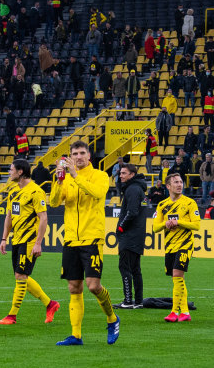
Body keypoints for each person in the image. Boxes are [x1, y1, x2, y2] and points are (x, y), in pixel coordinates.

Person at [48, 140, 118, 346]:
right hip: (70, 238)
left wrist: (75, 176)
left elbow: (97, 193)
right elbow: (53, 202)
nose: (78, 157)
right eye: (74, 153)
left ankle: (112, 318)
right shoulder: (66, 178)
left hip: (92, 238)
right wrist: (58, 181)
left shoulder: (100, 176)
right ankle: (76, 335)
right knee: (74, 287)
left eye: (81, 153)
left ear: (89, 156)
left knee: (93, 286)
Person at [0, 159, 59, 325]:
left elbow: (44, 218)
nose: (9, 173)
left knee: (21, 275)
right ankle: (50, 304)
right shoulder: (13, 192)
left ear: (20, 172)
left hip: (29, 241)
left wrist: (38, 243)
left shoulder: (36, 192)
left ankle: (12, 315)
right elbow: (9, 216)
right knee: (21, 277)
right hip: (16, 240)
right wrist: (4, 238)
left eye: (11, 170)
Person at [152, 172, 201, 322]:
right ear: (168, 186)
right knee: (177, 278)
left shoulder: (189, 203)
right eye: (176, 182)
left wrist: (179, 222)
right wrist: (165, 224)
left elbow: (196, 225)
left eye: (180, 182)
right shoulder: (162, 205)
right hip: (170, 246)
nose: (180, 185)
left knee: (177, 275)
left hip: (185, 245)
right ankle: (185, 312)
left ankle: (174, 311)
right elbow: (155, 228)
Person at [115, 162, 146, 309]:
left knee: (125, 267)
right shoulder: (136, 188)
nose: (120, 176)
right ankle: (138, 301)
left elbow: (132, 212)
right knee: (135, 269)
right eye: (120, 173)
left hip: (130, 235)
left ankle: (128, 301)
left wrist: (121, 227)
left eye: (123, 173)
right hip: (136, 235)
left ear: (132, 175)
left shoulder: (132, 189)